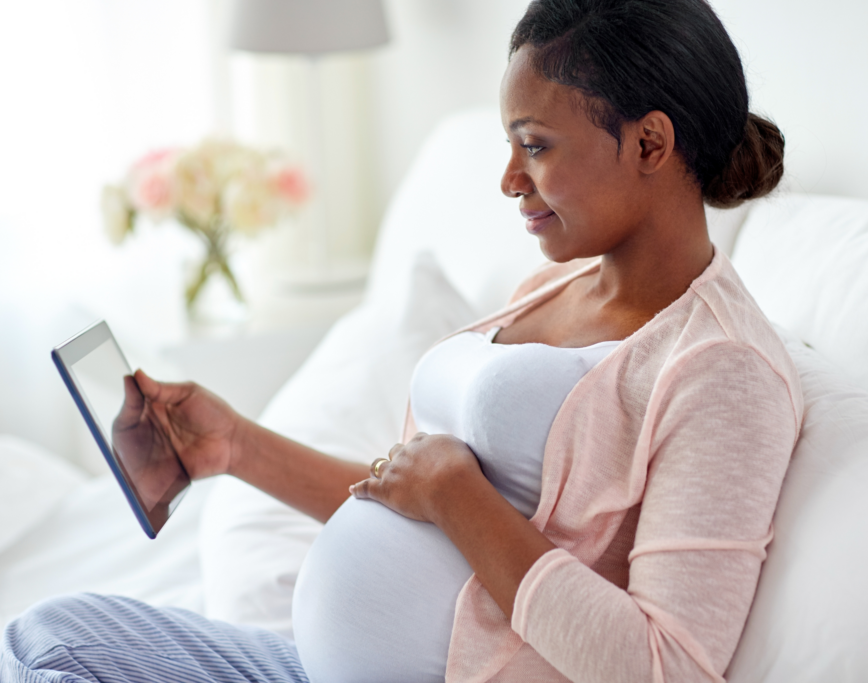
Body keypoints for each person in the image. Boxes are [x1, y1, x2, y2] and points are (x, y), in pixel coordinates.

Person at [1, 1, 802, 682]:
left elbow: (670, 666)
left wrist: (460, 494)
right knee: (49, 634)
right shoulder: (555, 286)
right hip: (312, 662)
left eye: (536, 144)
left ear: (651, 145)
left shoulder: (722, 369)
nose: (508, 180)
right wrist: (234, 447)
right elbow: (415, 493)